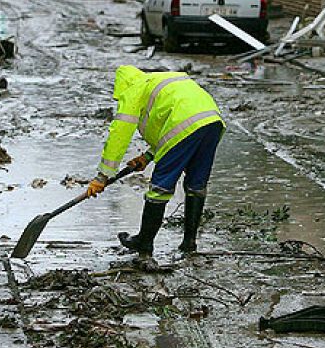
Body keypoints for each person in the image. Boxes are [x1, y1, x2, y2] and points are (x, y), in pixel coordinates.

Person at [87, 66, 225, 256]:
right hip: (212, 122)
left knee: (161, 186)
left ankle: (144, 241)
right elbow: (168, 123)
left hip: (186, 126)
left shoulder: (134, 90)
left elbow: (119, 134)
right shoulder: (160, 81)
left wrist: (103, 176)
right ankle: (189, 244)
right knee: (196, 184)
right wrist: (147, 156)